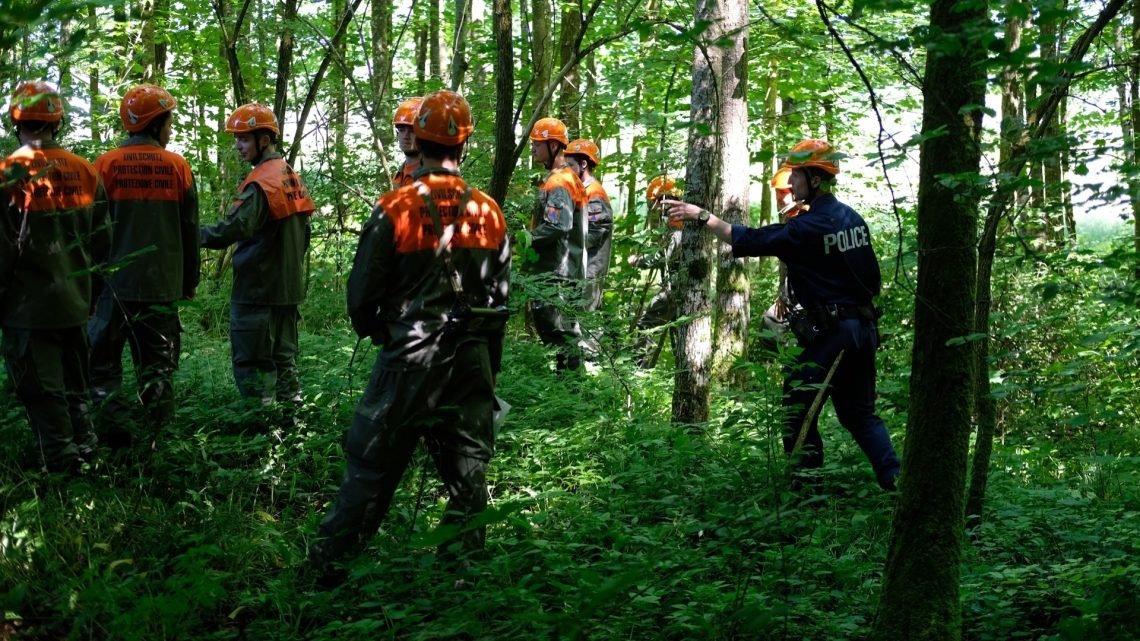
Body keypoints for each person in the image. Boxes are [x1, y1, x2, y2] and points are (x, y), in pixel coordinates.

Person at [309, 90, 510, 585]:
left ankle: (324, 578)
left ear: (417, 140)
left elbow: (361, 298)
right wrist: (488, 367)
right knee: (467, 475)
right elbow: (500, 304)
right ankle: (459, 579)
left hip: (408, 359)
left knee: (370, 469)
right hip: (470, 362)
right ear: (464, 146)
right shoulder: (489, 212)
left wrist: (382, 331)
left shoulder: (395, 206)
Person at [664, 139, 900, 491]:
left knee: (796, 407)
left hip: (836, 332)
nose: (790, 184)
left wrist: (703, 215)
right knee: (860, 414)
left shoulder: (807, 228)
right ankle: (896, 480)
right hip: (863, 329)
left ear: (815, 179)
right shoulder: (852, 218)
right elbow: (871, 279)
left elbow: (749, 238)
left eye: (796, 176)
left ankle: (808, 492)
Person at [0, 81, 110, 474]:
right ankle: (88, 452)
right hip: (76, 302)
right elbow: (102, 243)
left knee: (42, 391)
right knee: (75, 385)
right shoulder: (85, 171)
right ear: (57, 122)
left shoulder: (8, 174)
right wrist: (91, 294)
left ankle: (65, 471)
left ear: (17, 121)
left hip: (27, 309)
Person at [89, 84, 200, 448]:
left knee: (102, 367)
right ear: (154, 124)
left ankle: (113, 437)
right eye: (168, 122)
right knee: (158, 369)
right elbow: (189, 231)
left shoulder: (103, 166)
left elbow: (91, 233)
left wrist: (90, 286)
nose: (171, 130)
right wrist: (189, 281)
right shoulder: (178, 167)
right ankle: (158, 441)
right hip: (161, 288)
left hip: (111, 290)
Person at [200, 103, 314, 408]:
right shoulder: (291, 176)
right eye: (237, 139)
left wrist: (192, 234)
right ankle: (294, 431)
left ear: (264, 139)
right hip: (288, 292)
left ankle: (262, 439)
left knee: (254, 368)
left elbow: (234, 228)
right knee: (285, 364)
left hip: (257, 293)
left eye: (244, 139)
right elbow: (305, 234)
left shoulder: (262, 182)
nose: (238, 145)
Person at [527, 117, 587, 372]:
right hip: (564, 269)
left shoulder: (560, 181)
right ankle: (569, 387)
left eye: (538, 144)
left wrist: (527, 239)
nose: (533, 149)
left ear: (553, 146)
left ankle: (572, 388)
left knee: (561, 332)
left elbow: (558, 225)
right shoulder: (564, 178)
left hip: (557, 272)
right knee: (563, 331)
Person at [629, 175, 682, 368]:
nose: (656, 208)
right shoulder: (675, 221)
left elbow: (663, 256)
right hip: (678, 286)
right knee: (679, 331)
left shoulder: (678, 224)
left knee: (646, 324)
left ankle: (638, 370)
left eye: (658, 202)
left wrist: (640, 261)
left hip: (675, 287)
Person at [759, 166, 807, 344]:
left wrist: (785, 297)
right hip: (796, 293)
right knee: (769, 324)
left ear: (795, 192)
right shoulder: (793, 218)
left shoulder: (803, 219)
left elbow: (801, 265)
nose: (779, 198)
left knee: (771, 323)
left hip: (808, 296)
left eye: (782, 192)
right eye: (777, 193)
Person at [564, 139, 612, 312]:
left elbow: (593, 233)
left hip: (590, 269)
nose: (566, 170)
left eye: (570, 165)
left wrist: (563, 242)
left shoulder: (594, 193)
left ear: (583, 164)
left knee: (586, 321)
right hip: (580, 269)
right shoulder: (582, 191)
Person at [391, 96, 422, 188]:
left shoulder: (430, 176)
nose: (405, 136)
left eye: (412, 130)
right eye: (402, 130)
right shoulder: (399, 175)